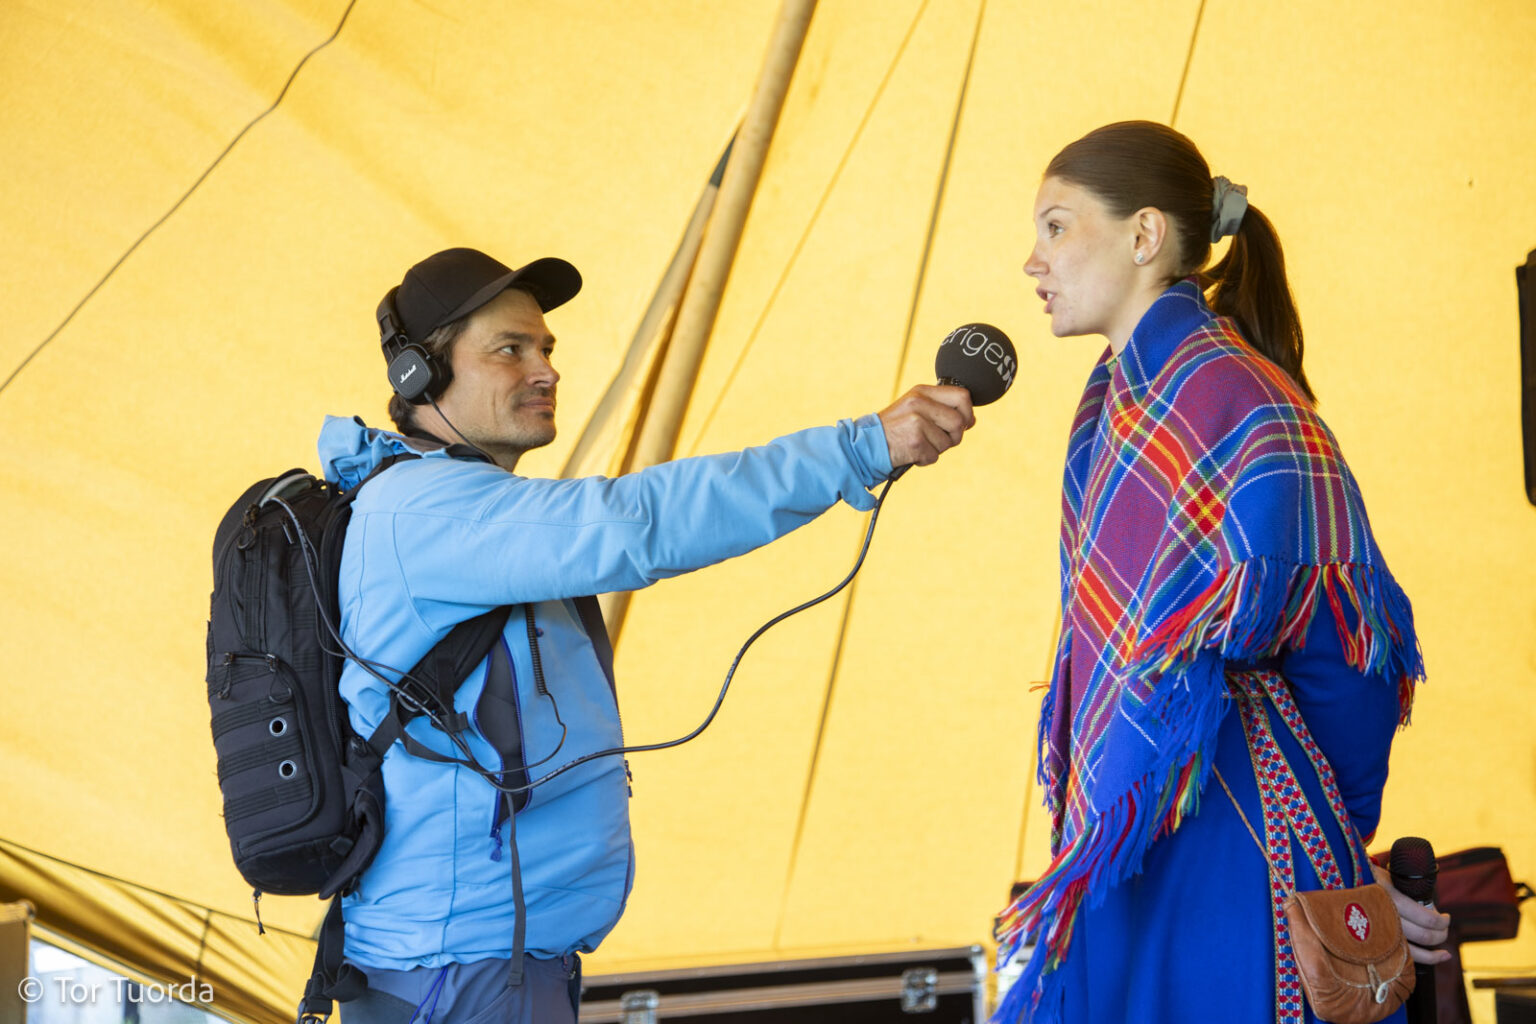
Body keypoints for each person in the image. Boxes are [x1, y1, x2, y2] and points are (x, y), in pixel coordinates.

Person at [321, 247, 974, 1023]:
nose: (546, 368)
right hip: (457, 972)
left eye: (547, 347)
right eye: (510, 349)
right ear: (418, 376)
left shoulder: (461, 509)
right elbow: (642, 522)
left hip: (488, 966)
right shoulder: (427, 511)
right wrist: (858, 448)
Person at [993, 122, 1449, 1023]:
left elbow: (1349, 655)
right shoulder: (1112, 407)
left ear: (1144, 235)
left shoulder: (1244, 402)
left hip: (1233, 835)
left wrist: (1339, 856)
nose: (1032, 262)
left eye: (1055, 227)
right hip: (1132, 824)